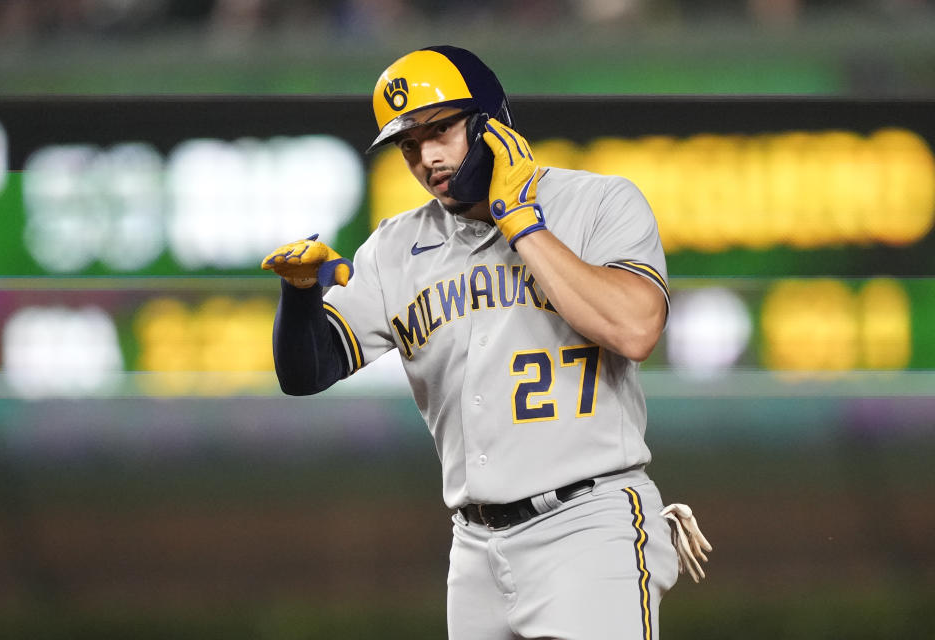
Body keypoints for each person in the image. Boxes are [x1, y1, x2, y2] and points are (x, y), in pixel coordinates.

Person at [262, 45, 711, 640]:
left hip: (588, 524)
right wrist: (298, 300)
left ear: (491, 120)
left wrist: (521, 219)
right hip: (473, 548)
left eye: (441, 130)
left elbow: (636, 329)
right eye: (409, 144)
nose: (427, 157)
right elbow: (306, 372)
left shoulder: (597, 202)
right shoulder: (395, 247)